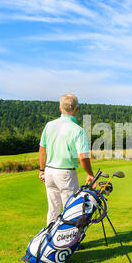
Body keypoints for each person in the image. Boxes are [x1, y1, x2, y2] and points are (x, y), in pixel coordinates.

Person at [38, 94, 94, 226]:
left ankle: (51, 241)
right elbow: (83, 157)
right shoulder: (78, 130)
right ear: (77, 109)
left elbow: (42, 150)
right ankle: (68, 243)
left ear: (60, 108)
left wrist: (42, 170)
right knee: (71, 210)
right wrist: (90, 174)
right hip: (65, 175)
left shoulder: (49, 125)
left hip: (49, 172)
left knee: (53, 209)